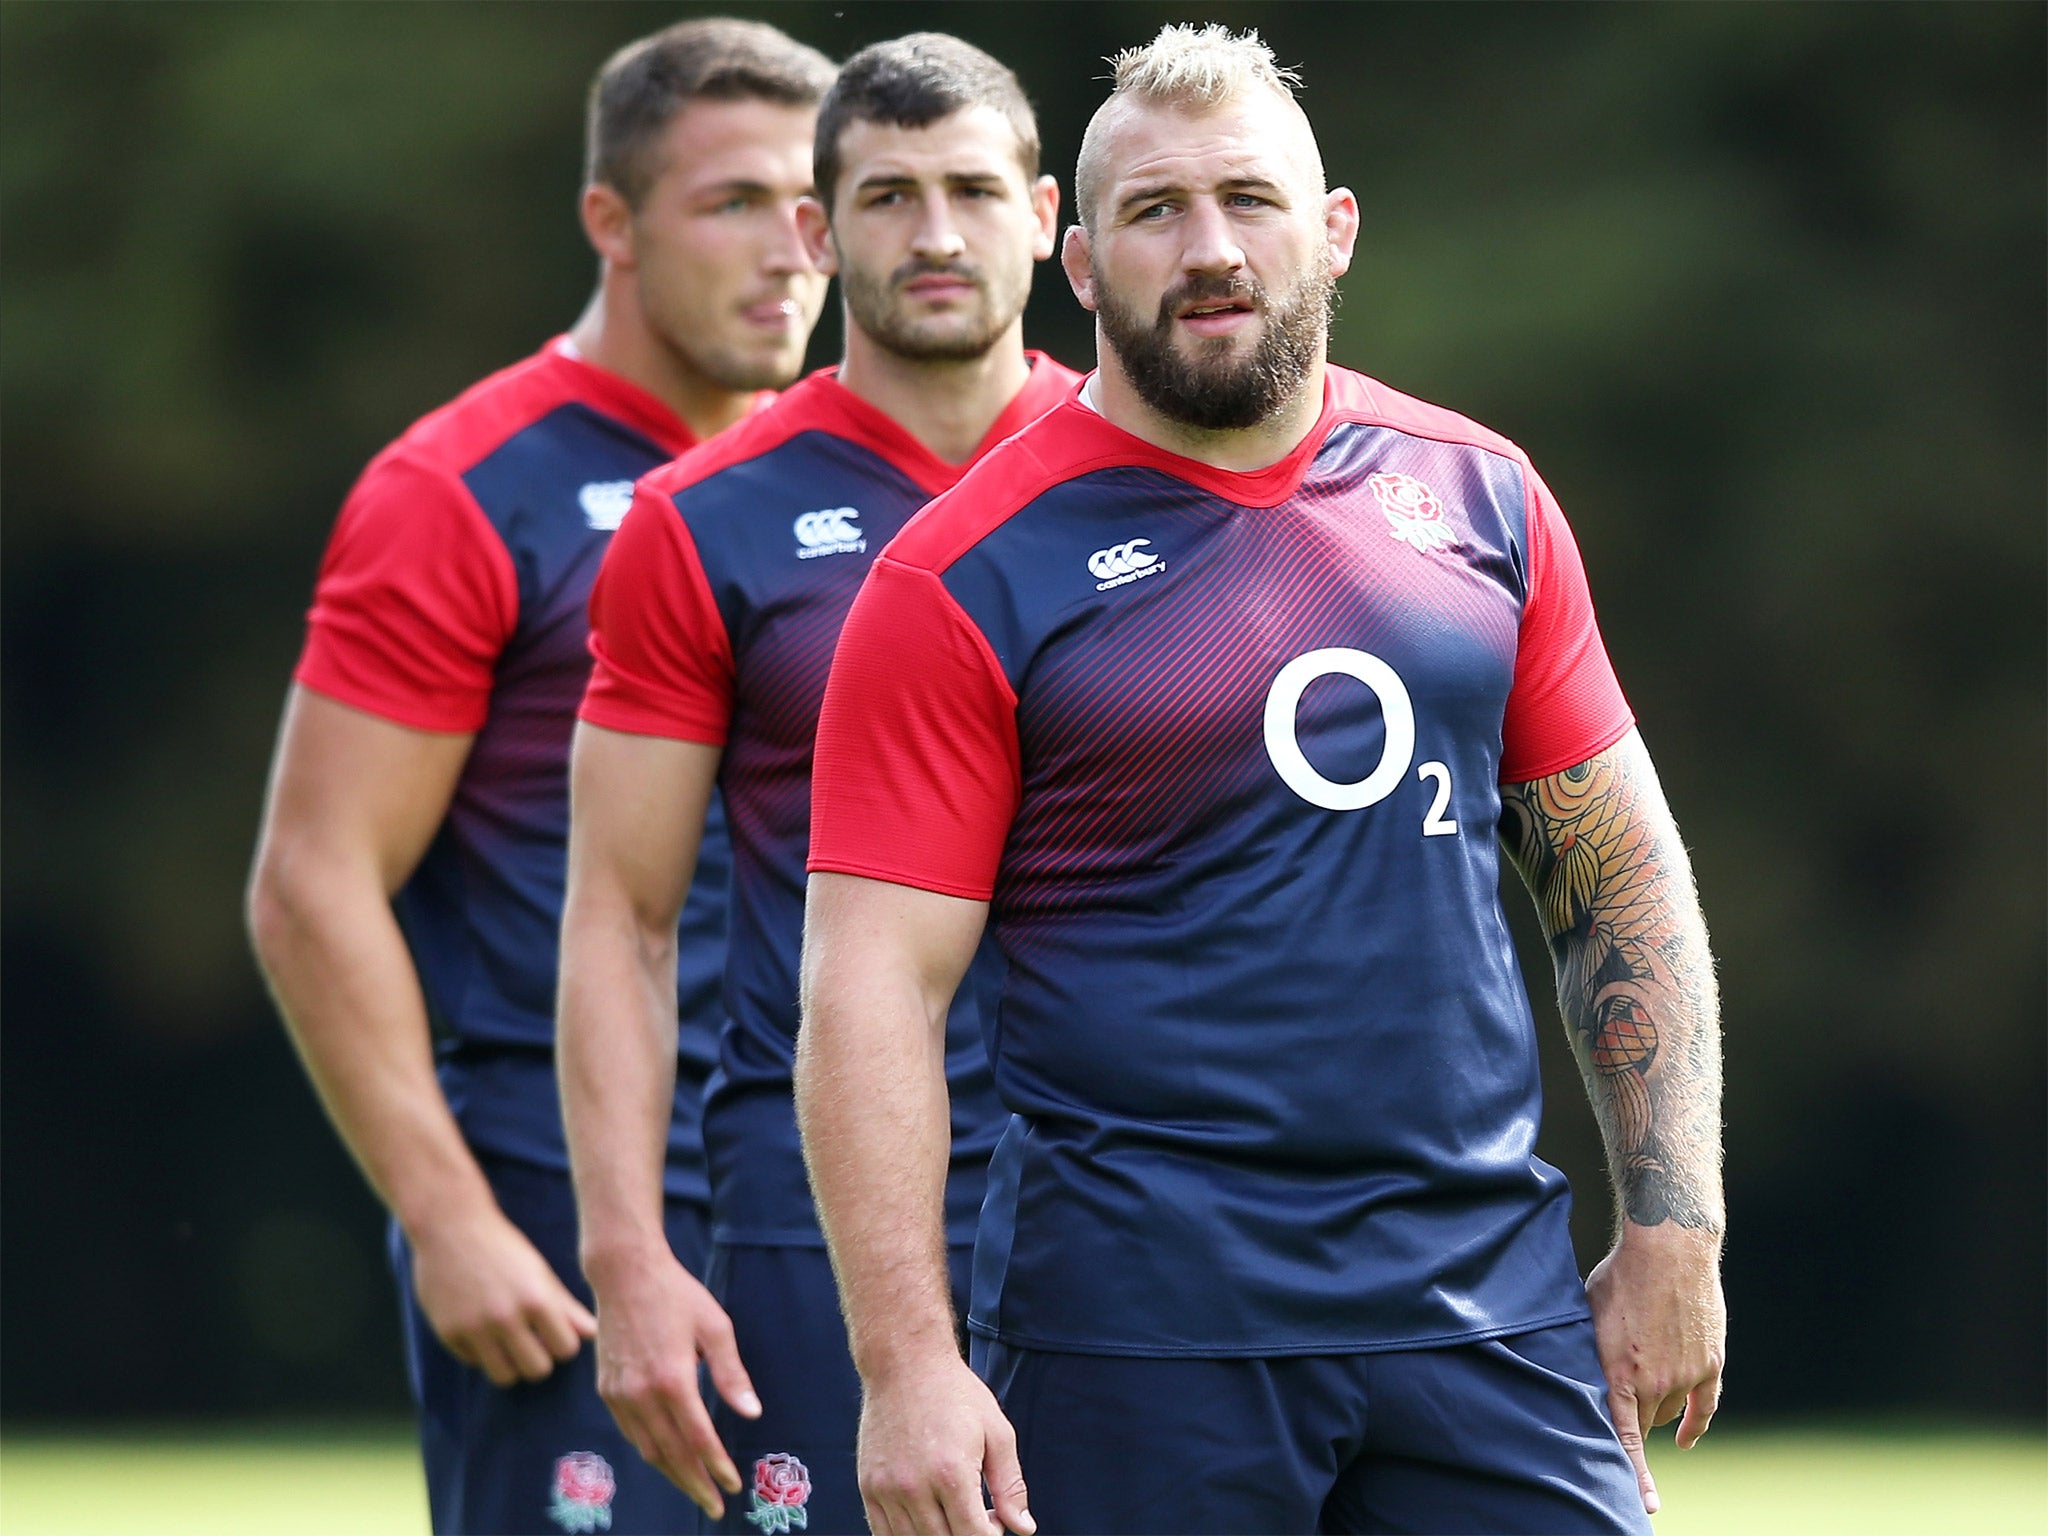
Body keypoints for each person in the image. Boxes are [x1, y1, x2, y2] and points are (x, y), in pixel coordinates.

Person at [797, 23, 1726, 1536]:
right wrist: (906, 1364)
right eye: (1158, 213)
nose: (1212, 248)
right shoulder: (958, 576)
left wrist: (1676, 1228)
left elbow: (1614, 869)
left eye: (1251, 198)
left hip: (1485, 1310)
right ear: (1082, 266)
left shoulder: (1482, 499)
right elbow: (868, 990)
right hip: (1137, 1338)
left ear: (1335, 231)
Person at [244, 19, 834, 1534]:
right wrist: (447, 1217)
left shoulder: (851, 484)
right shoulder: (461, 488)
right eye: (735, 203)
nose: (791, 251)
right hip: (558, 1203)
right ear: (611, 223)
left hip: (826, 1188)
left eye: (815, 207)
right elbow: (314, 880)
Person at [558, 34, 1078, 1535]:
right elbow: (623, 919)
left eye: (974, 191)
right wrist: (629, 1261)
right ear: (817, 228)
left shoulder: (1149, 476)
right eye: (888, 194)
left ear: (1045, 216)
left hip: (1126, 1202)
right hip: (814, 1218)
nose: (934, 235)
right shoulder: (699, 522)